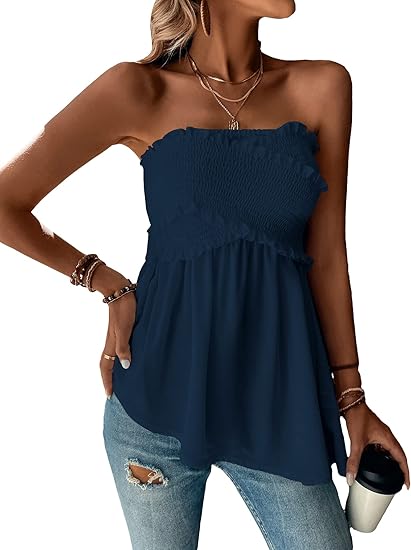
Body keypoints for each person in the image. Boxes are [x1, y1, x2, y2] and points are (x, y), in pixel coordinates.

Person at [0, 1, 409, 548]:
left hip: (277, 408)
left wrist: (352, 399)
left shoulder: (323, 87)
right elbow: (5, 202)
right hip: (156, 408)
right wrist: (103, 281)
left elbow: (329, 256)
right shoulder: (137, 90)